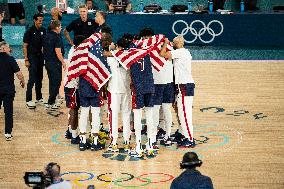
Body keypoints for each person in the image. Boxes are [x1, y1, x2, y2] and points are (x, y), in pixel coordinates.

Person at [160, 36, 195, 148]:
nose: (172, 45)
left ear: (178, 43)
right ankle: (182, 133)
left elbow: (163, 54)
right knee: (180, 112)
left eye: (174, 43)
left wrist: (165, 43)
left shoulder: (181, 52)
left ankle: (190, 139)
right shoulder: (182, 52)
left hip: (184, 86)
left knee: (185, 114)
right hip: (181, 86)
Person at [104, 38, 132, 153]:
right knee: (126, 116)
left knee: (113, 116)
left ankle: (114, 142)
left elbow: (104, 54)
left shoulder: (110, 58)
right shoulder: (130, 58)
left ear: (117, 45)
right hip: (126, 90)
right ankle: (126, 142)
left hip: (114, 91)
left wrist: (111, 49)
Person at [0, 41, 25, 141]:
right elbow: (19, 74)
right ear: (3, 48)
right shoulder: (10, 59)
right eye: (8, 48)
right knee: (8, 112)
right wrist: (22, 81)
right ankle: (8, 133)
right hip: (8, 90)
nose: (9, 49)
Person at [23, 13, 46, 109]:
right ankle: (28, 100)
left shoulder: (43, 30)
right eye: (39, 20)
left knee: (39, 78)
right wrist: (26, 59)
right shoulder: (29, 31)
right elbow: (24, 46)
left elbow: (44, 44)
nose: (41, 22)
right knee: (32, 78)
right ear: (34, 20)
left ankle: (39, 97)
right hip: (31, 57)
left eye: (42, 20)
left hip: (40, 57)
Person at [43, 20, 66, 112]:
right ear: (56, 27)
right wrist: (63, 62)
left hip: (48, 62)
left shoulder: (46, 35)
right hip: (55, 62)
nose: (60, 28)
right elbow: (58, 51)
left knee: (52, 82)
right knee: (56, 81)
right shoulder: (57, 37)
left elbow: (42, 49)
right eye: (60, 26)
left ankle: (52, 101)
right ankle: (51, 102)